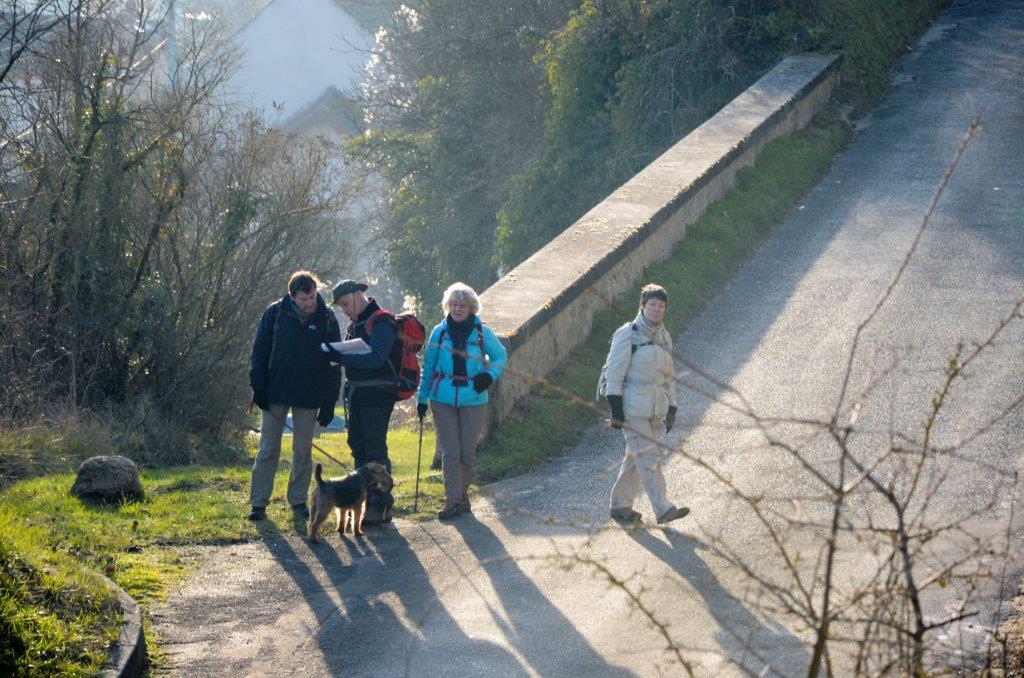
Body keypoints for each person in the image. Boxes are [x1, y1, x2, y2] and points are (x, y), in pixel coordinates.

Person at [248, 271, 341, 521]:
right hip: (274, 391)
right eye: (304, 299)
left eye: (312, 297)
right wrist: (257, 388)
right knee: (268, 448)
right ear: (292, 296)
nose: (310, 303)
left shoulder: (328, 319)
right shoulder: (274, 314)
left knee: (303, 450)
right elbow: (259, 352)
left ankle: (298, 501)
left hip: (310, 394)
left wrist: (330, 402)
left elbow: (335, 363)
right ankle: (258, 503)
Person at [416, 282, 507, 520]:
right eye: (454, 304)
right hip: (442, 397)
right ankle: (452, 500)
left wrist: (488, 376)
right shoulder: (440, 332)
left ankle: (462, 494)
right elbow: (428, 367)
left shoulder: (482, 332)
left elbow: (500, 357)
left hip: (474, 398)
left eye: (463, 305)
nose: (457, 309)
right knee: (450, 451)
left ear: (471, 308)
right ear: (448, 305)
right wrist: (422, 398)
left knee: (467, 451)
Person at [601, 283, 689, 526]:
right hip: (632, 407)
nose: (657, 310)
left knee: (635, 458)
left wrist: (672, 407)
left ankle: (620, 505)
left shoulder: (664, 336)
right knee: (648, 458)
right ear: (642, 306)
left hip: (653, 407)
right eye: (652, 305)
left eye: (661, 306)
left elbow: (668, 375)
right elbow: (614, 374)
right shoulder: (627, 334)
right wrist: (616, 409)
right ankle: (663, 508)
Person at [325, 280, 399, 524]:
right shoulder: (355, 325)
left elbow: (377, 359)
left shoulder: (382, 321)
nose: (345, 310)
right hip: (357, 395)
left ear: (358, 295)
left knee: (374, 448)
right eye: (341, 307)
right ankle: (363, 503)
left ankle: (381, 505)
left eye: (346, 304)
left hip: (378, 396)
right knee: (358, 447)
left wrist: (343, 358)